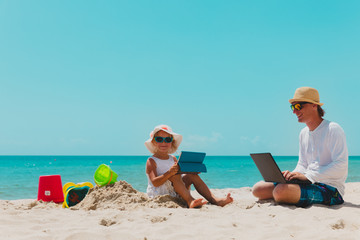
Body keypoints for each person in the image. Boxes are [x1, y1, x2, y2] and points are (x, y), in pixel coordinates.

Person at [252, 87, 348, 207]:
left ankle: (288, 192)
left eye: (298, 106)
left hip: (330, 189)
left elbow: (341, 165)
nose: (294, 111)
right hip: (309, 182)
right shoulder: (303, 133)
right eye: (293, 107)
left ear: (314, 105)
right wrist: (292, 175)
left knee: (280, 192)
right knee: (258, 189)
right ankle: (289, 190)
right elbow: (303, 164)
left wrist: (308, 176)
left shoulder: (332, 129)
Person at [145, 124, 233, 208]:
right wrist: (169, 173)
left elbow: (180, 173)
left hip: (175, 191)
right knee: (174, 176)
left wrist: (191, 171)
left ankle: (215, 200)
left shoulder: (173, 158)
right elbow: (155, 183)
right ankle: (190, 201)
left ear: (172, 142)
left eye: (167, 140)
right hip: (161, 193)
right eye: (159, 139)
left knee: (192, 176)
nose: (163, 142)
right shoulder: (152, 161)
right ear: (154, 142)